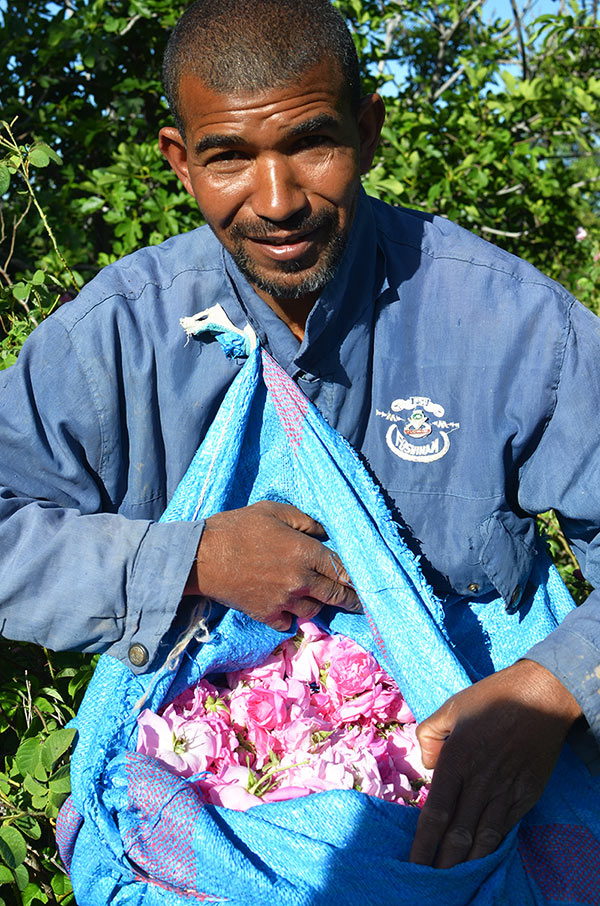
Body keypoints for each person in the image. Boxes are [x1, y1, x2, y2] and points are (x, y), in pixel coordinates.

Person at [0, 0, 597, 873]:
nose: (277, 202)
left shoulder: (508, 325)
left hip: (471, 774)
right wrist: (192, 562)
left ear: (369, 128)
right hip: (212, 796)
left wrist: (551, 690)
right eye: (229, 158)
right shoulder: (118, 340)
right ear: (180, 161)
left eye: (312, 144)